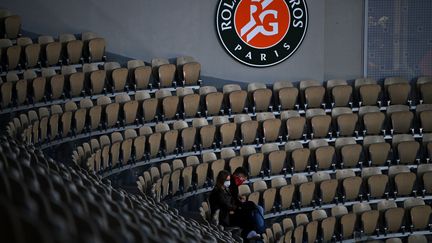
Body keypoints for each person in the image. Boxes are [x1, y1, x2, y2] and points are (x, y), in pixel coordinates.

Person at [229, 167, 265, 240]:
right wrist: (240, 202)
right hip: (231, 213)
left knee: (257, 208)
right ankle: (259, 231)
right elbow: (229, 199)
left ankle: (257, 231)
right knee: (252, 207)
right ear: (239, 175)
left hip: (235, 207)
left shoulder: (233, 183)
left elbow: (233, 195)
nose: (242, 182)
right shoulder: (230, 183)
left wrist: (239, 197)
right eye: (243, 179)